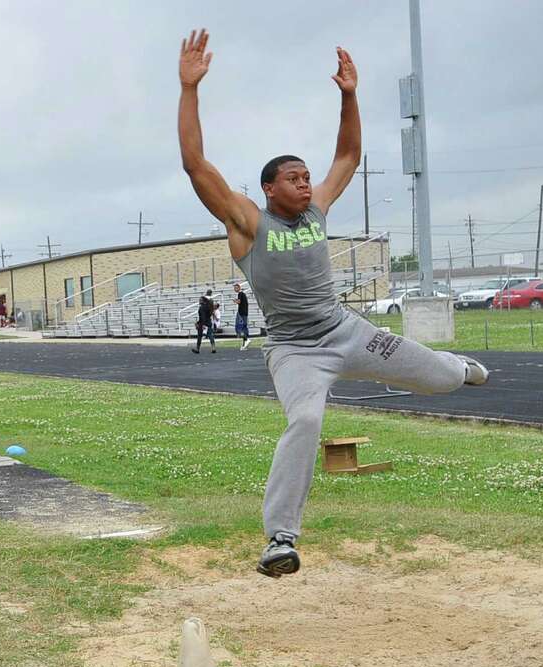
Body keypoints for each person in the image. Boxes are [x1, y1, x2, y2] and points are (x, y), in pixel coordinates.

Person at [177, 30, 487, 579]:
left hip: (346, 331)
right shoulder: (249, 222)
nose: (305, 184)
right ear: (269, 189)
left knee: (443, 379)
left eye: (305, 177)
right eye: (293, 179)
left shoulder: (317, 209)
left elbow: (347, 154)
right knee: (306, 420)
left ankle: (459, 367)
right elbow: (196, 163)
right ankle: (280, 539)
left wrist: (349, 95)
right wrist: (190, 90)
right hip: (296, 351)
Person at [192, 289, 216, 353]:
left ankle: (197, 349)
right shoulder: (208, 307)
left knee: (199, 336)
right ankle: (213, 347)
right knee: (210, 335)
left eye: (200, 300)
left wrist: (200, 324)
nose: (199, 301)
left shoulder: (201, 307)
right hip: (209, 322)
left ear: (203, 301)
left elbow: (202, 317)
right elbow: (209, 315)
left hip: (203, 323)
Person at [233, 282, 251, 349]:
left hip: (242, 313)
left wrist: (235, 301)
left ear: (239, 288)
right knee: (244, 327)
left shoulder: (240, 293)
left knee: (241, 327)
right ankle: (244, 344)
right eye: (234, 288)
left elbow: (239, 302)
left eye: (236, 287)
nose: (235, 289)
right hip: (245, 312)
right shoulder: (243, 294)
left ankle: (246, 339)